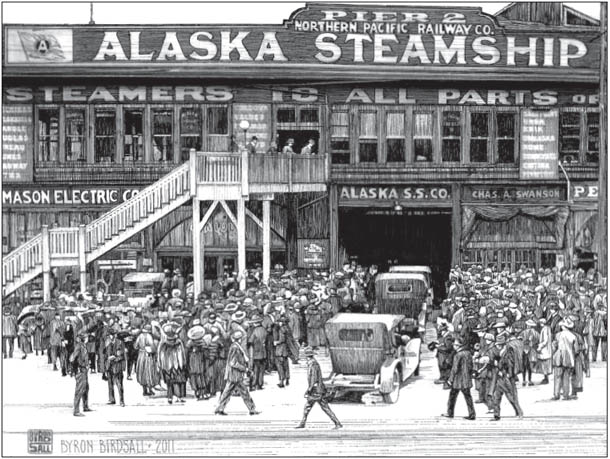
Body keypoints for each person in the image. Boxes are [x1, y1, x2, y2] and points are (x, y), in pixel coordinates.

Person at [215, 331, 260, 416]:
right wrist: (245, 369)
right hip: (235, 375)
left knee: (228, 392)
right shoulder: (235, 348)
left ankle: (219, 408)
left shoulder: (235, 346)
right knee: (243, 392)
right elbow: (233, 363)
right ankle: (252, 409)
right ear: (239, 339)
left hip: (234, 375)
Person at [295, 347, 342, 429]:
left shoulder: (313, 364)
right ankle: (337, 423)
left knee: (311, 407)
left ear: (307, 356)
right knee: (320, 407)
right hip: (317, 389)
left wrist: (309, 389)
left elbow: (313, 378)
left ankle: (337, 423)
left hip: (315, 390)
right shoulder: (313, 363)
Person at [490, 334, 524, 421]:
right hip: (499, 377)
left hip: (506, 377)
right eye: (497, 345)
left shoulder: (508, 353)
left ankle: (519, 412)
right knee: (496, 396)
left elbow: (510, 364)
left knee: (511, 396)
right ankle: (496, 415)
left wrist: (506, 372)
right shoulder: (499, 352)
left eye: (500, 345)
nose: (498, 346)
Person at [442, 337, 476, 420]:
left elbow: (454, 368)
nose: (454, 346)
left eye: (455, 345)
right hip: (466, 379)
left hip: (458, 380)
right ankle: (472, 414)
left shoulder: (458, 355)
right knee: (468, 397)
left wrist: (450, 379)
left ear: (458, 346)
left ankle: (450, 413)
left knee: (452, 396)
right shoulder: (468, 353)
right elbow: (471, 366)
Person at [552, 318, 577, 401]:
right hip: (569, 358)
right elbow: (576, 350)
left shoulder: (558, 335)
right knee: (566, 377)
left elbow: (554, 346)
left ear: (563, 326)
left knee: (557, 376)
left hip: (559, 357)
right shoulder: (573, 336)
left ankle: (556, 394)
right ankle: (566, 395)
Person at [69, 331, 92, 417]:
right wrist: (75, 368)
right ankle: (76, 410)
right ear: (83, 338)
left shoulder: (83, 345)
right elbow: (72, 358)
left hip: (84, 370)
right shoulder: (79, 346)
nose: (87, 339)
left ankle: (85, 406)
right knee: (79, 390)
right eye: (86, 337)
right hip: (80, 370)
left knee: (86, 388)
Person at [135, 324, 160, 396]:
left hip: (141, 355)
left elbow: (135, 346)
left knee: (142, 372)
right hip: (148, 356)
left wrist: (141, 348)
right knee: (148, 371)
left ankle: (144, 390)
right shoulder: (149, 336)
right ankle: (149, 389)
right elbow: (152, 346)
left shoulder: (140, 336)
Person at [104, 329, 126, 407]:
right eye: (110, 335)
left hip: (117, 366)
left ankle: (121, 400)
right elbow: (105, 354)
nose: (111, 336)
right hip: (109, 365)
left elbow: (122, 356)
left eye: (112, 335)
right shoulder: (107, 343)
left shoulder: (120, 343)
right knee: (110, 383)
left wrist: (114, 358)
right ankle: (112, 399)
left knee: (119, 384)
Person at [246, 314, 267, 391]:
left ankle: (254, 384)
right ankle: (260, 384)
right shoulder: (264, 330)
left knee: (255, 369)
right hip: (263, 352)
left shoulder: (254, 331)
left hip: (255, 353)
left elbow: (250, 341)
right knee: (261, 369)